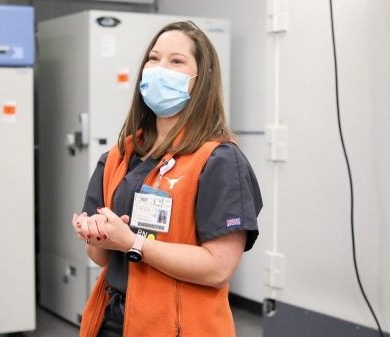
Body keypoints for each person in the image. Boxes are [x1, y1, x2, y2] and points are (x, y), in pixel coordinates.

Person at [72, 21, 262, 337]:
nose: (160, 69)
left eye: (176, 61)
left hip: (178, 327)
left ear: (201, 80)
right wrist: (95, 234)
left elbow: (218, 268)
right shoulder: (118, 156)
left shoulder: (219, 160)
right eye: (153, 58)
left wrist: (133, 242)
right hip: (111, 320)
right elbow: (99, 256)